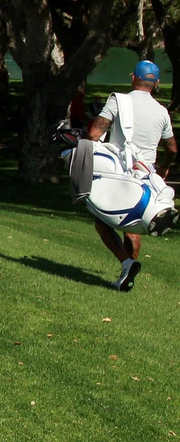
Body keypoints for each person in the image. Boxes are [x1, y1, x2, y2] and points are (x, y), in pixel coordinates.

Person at [86, 60, 176, 291]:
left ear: (133, 78)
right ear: (157, 83)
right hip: (146, 175)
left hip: (119, 172)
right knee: (134, 225)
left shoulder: (118, 100)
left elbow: (95, 134)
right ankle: (127, 271)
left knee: (102, 221)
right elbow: (172, 148)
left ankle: (127, 264)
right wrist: (165, 168)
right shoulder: (162, 112)